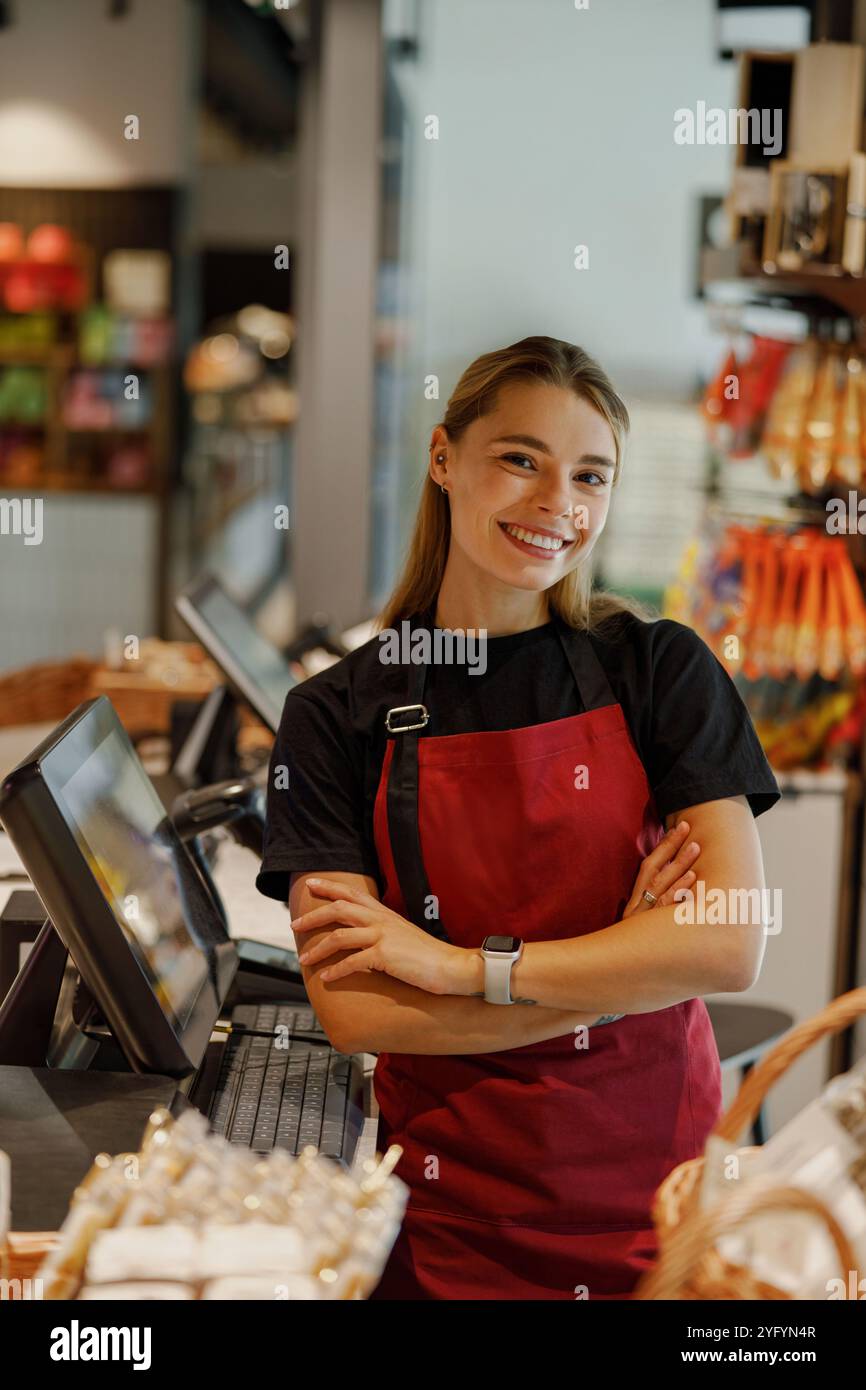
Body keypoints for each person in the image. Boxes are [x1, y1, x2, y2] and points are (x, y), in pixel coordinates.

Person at [255, 335, 780, 1300]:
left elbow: (727, 946)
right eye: (521, 460)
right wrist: (627, 966)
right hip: (447, 1218)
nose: (558, 505)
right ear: (444, 458)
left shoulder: (660, 671)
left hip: (654, 1207)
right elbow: (355, 1010)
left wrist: (459, 970)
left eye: (591, 475)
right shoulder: (335, 714)